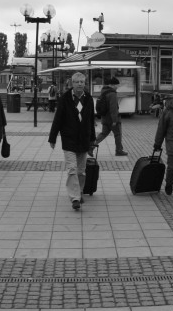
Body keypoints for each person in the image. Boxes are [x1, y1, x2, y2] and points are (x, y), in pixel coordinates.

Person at [48, 72, 96, 211]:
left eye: (82, 82)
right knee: (72, 169)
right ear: (72, 83)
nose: (80, 84)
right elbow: (58, 119)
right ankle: (75, 198)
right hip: (69, 139)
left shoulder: (88, 99)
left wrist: (92, 139)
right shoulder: (65, 99)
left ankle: (79, 192)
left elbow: (91, 121)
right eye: (77, 82)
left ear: (85, 83)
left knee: (81, 171)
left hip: (83, 140)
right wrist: (53, 138)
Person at [94, 76, 128, 156]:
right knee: (118, 134)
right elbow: (113, 109)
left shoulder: (103, 92)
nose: (117, 87)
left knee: (103, 133)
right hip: (112, 119)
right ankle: (119, 150)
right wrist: (115, 120)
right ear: (112, 85)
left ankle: (91, 146)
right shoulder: (112, 94)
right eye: (116, 85)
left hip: (104, 118)